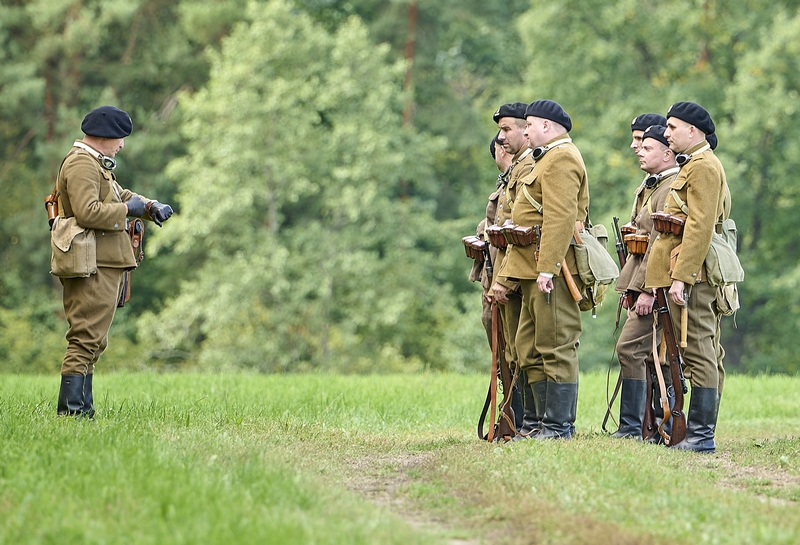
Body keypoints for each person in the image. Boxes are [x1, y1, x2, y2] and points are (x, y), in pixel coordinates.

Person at [54, 105, 174, 417]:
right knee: (85, 339)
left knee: (95, 341)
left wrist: (148, 206)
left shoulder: (95, 163)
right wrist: (127, 210)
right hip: (91, 263)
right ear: (105, 136)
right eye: (120, 138)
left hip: (102, 261)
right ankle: (71, 414)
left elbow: (119, 196)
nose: (121, 145)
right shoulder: (81, 164)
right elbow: (88, 212)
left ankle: (83, 411)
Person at [496, 99, 589, 439]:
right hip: (533, 266)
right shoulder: (547, 157)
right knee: (528, 345)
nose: (526, 132)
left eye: (530, 125)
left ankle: (558, 426)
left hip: (552, 269)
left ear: (546, 126)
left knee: (555, 345)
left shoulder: (561, 157)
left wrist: (548, 268)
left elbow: (561, 217)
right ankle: (537, 423)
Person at [645, 102, 729, 453]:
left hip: (693, 274)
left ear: (692, 131)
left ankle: (701, 435)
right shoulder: (692, 164)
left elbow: (699, 226)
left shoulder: (703, 166)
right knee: (692, 349)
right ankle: (694, 433)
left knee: (699, 350)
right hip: (683, 270)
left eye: (672, 128)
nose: (666, 134)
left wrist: (683, 277)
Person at [613, 124, 679, 439]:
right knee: (650, 356)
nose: (639, 150)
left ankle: (633, 427)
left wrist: (645, 290)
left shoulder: (668, 188)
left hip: (654, 286)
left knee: (629, 349)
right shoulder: (655, 185)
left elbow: (658, 244)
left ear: (667, 154)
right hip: (646, 281)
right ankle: (646, 426)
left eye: (648, 147)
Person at [487, 102, 538, 439]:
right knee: (515, 349)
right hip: (511, 266)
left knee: (530, 349)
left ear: (525, 130)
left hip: (523, 268)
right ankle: (524, 422)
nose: (501, 138)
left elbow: (522, 226)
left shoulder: (530, 166)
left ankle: (539, 423)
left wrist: (504, 278)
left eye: (506, 129)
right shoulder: (518, 169)